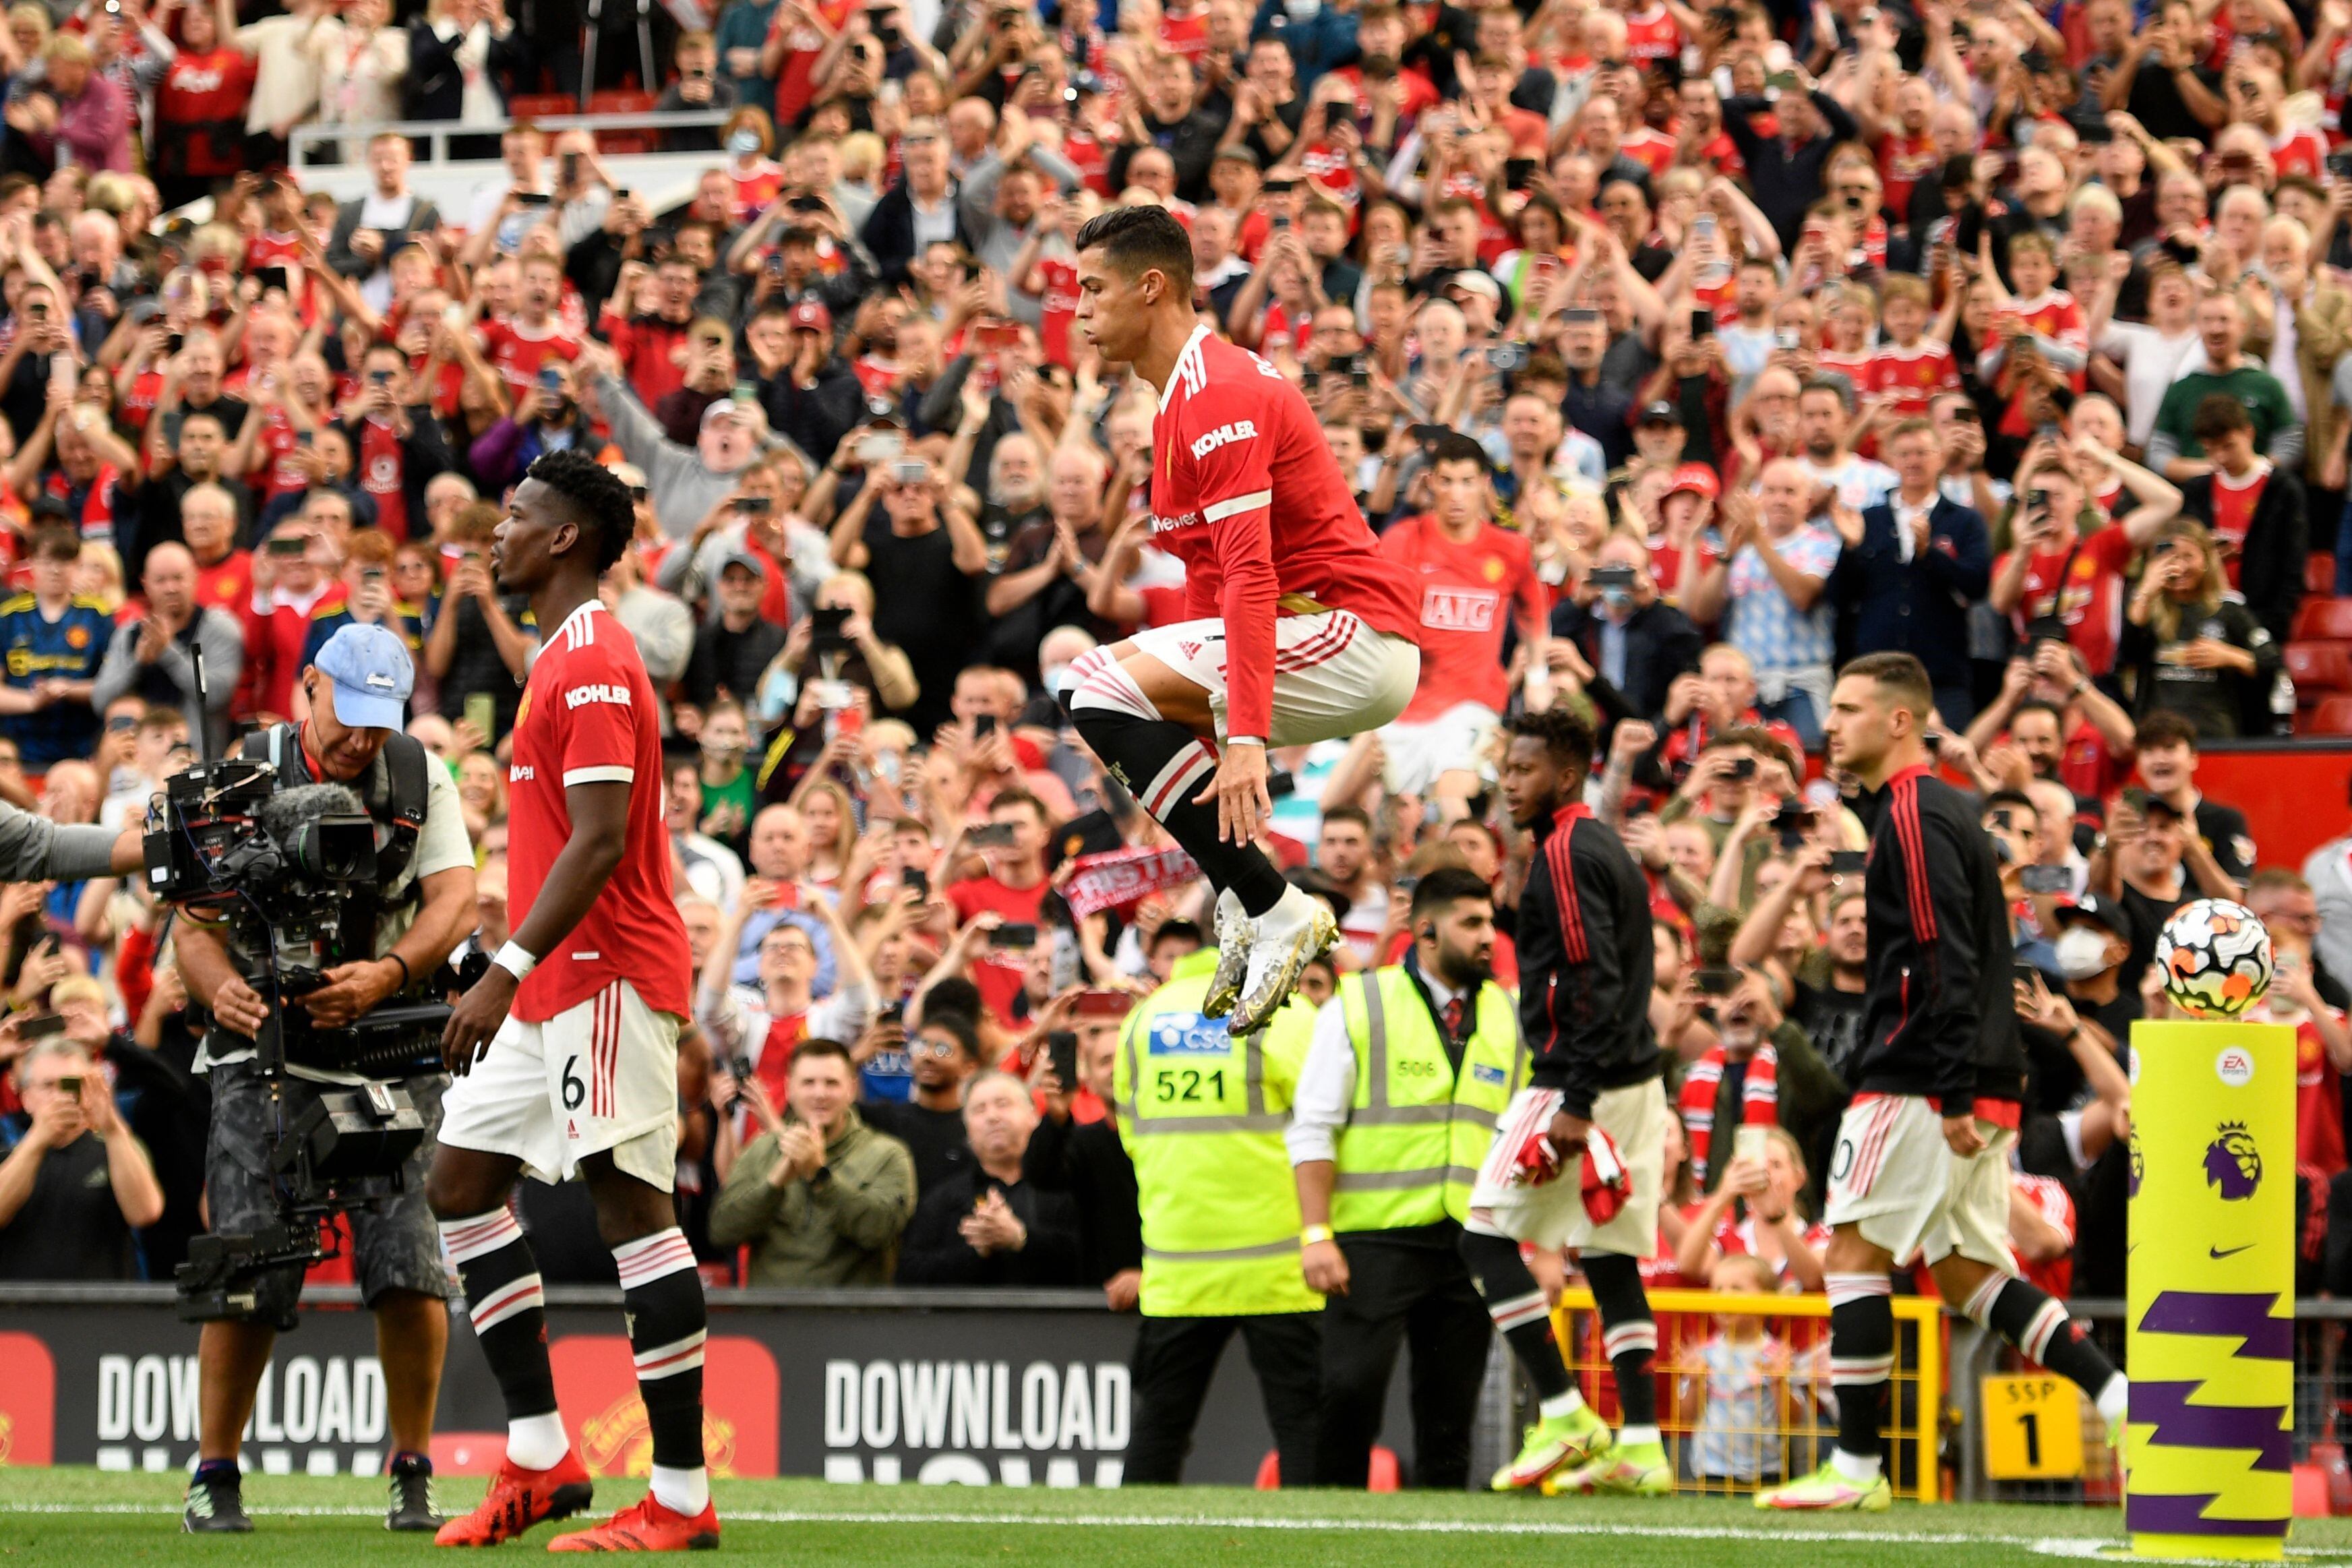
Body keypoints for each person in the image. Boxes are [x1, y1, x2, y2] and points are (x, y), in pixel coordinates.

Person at [427, 452, 717, 1551]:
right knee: (458, 1185)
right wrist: (487, 967)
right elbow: (559, 846)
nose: (492, 533)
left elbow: (599, 844)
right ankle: (542, 1458)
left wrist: (500, 972)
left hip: (605, 976)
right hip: (547, 976)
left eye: (514, 515)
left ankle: (683, 1500)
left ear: (563, 539)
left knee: (630, 1210)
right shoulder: (556, 657)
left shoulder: (593, 659)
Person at [1759, 653, 2125, 1511]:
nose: (1831, 725)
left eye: (1847, 709)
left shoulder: (1916, 816)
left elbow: (1943, 959)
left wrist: (1953, 1089)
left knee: (1850, 1252)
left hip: (1924, 1076)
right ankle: (2122, 1399)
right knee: (1967, 1274)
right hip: (1978, 1072)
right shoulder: (1945, 813)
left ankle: (1854, 1468)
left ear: (1898, 720)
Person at [1064, 205, 1420, 1035]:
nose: (1077, 310)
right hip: (1302, 638)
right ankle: (1243, 895)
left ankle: (1273, 903)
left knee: (1091, 685)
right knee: (1109, 697)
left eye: (1092, 288)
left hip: (1355, 635)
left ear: (1150, 287)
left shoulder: (1220, 391)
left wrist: (1248, 737)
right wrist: (1213, 732)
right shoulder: (1173, 403)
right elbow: (1207, 588)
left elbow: (1252, 576)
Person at [171, 624, 479, 1535]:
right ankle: (214, 1472)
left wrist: (389, 974)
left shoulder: (421, 776)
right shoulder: (245, 771)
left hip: (383, 1037)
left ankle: (413, 1468)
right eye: (348, 717)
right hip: (262, 1040)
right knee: (249, 1255)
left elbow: (457, 897)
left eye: (379, 724)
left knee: (410, 1260)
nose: (359, 740)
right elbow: (191, 919)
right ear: (308, 686)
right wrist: (218, 984)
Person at [1456, 708, 1672, 1495]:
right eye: (1505, 769)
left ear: (1568, 774)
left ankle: (1563, 1411)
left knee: (1482, 1238)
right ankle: (1643, 1445)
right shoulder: (1589, 845)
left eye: (1524, 769)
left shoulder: (1569, 850)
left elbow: (1588, 979)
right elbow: (1588, 960)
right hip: (1632, 1081)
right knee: (1612, 1260)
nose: (1509, 782)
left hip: (1581, 1085)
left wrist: (1575, 1099)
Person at [1284, 865, 1556, 1491]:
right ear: (1425, 930)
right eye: (1471, 923)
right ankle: (1330, 1530)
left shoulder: (1512, 1016)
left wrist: (1542, 1247)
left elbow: (1533, 1145)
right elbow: (1312, 1127)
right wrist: (1316, 1233)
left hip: (1471, 1243)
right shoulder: (1359, 1002)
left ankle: (1438, 1543)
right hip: (1373, 1240)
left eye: (1490, 921)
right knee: (1348, 1394)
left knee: (1449, 1416)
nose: (1489, 936)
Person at [1115, 945, 1321, 1486]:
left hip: (1178, 1265)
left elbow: (1132, 1135)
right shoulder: (1284, 1010)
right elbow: (1324, 1126)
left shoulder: (1144, 1018)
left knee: (1159, 1427)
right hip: (1279, 1266)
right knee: (1302, 1429)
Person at [706, 1037, 916, 1286]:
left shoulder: (887, 1154)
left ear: (851, 1089)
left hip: (853, 1318)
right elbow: (722, 1231)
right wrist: (775, 1183)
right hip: (770, 1317)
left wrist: (820, 1176)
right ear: (789, 1089)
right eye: (808, 1083)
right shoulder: (761, 1151)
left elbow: (879, 1230)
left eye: (831, 1083)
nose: (820, 1094)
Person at [0, 1033, 164, 1280]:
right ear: (26, 1098)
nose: (61, 1096)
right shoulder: (7, 1158)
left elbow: (146, 1212)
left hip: (102, 1310)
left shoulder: (116, 1147)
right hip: (21, 1311)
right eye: (47, 1086)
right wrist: (37, 1140)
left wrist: (112, 1125)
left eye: (72, 1084)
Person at [895, 1071, 1083, 1286]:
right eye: (979, 1110)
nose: (992, 1117)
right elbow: (909, 1274)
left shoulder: (1067, 1185)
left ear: (1033, 1115)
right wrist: (977, 1252)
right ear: (966, 1127)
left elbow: (1092, 1257)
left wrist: (1022, 1239)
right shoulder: (944, 1199)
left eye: (1003, 1104)